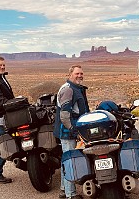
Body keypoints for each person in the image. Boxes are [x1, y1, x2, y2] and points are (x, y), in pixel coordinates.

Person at [53, 64, 90, 199]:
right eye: (77, 73)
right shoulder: (68, 90)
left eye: (81, 73)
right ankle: (70, 194)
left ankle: (64, 190)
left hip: (72, 129)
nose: (80, 75)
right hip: (67, 132)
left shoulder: (76, 88)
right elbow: (64, 115)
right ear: (70, 74)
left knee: (67, 160)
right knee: (70, 161)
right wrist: (73, 130)